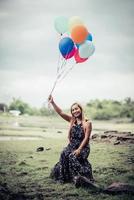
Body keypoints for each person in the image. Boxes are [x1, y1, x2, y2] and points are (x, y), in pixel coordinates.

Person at [48, 95, 94, 186]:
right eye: (72, 110)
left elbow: (87, 138)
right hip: (72, 145)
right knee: (63, 153)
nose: (75, 111)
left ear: (80, 109)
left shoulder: (87, 123)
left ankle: (82, 176)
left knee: (72, 156)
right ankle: (65, 178)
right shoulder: (72, 120)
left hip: (83, 147)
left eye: (76, 109)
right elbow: (61, 112)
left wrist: (79, 149)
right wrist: (52, 102)